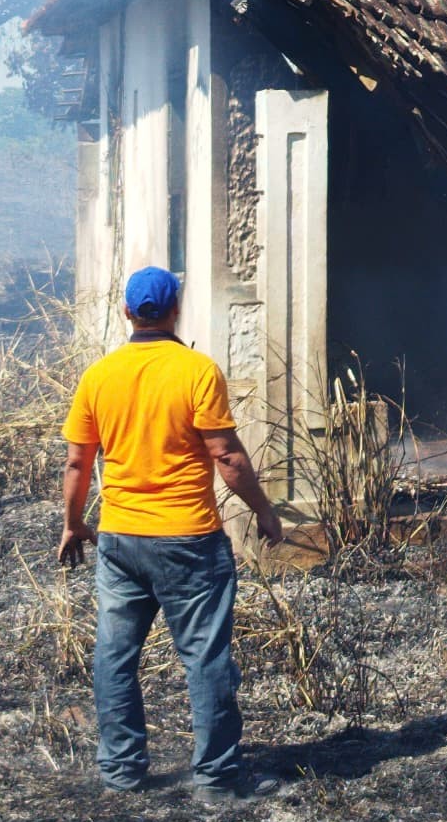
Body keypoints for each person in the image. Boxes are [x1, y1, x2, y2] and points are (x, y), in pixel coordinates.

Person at [60, 265, 290, 793]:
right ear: (175, 310)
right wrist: (263, 510)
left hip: (119, 540)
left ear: (126, 313)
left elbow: (77, 464)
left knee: (115, 657)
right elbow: (227, 456)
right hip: (188, 540)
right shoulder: (197, 372)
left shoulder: (99, 376)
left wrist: (75, 524)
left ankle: (120, 773)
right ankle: (216, 779)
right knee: (205, 658)